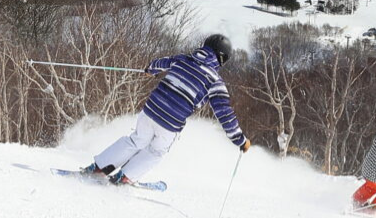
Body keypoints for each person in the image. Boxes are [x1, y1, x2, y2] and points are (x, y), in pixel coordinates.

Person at [81, 34, 251, 185]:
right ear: (222, 58)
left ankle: (98, 168)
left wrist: (150, 69)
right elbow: (225, 116)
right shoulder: (215, 81)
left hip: (150, 110)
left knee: (135, 140)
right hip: (170, 123)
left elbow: (160, 63)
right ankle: (125, 177)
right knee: (156, 151)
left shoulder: (183, 59)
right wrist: (241, 141)